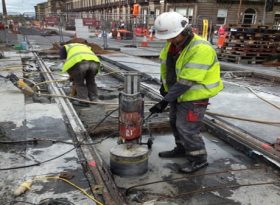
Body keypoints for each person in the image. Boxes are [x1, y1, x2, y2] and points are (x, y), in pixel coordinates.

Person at [149, 12, 223, 173]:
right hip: (178, 93)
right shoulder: (173, 44)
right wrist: (164, 86)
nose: (169, 40)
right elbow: (167, 67)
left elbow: (187, 81)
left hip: (194, 96)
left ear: (184, 32)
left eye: (172, 37)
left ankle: (199, 159)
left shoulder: (201, 48)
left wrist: (165, 100)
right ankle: (182, 149)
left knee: (187, 128)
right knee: (175, 122)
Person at [60, 42, 100, 107]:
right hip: (95, 62)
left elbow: (65, 63)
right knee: (91, 82)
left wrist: (72, 76)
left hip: (80, 63)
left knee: (79, 83)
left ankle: (83, 101)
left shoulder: (63, 48)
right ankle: (94, 99)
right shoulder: (84, 46)